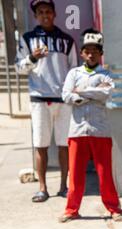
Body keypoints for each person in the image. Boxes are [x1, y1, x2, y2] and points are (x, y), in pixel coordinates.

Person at [58, 29, 122, 223]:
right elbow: (66, 95)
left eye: (95, 50)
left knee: (104, 173)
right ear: (81, 53)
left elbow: (107, 94)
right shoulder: (74, 73)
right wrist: (88, 94)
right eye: (87, 50)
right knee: (76, 174)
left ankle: (114, 208)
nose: (91, 54)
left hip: (100, 130)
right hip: (78, 131)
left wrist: (81, 92)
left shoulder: (106, 75)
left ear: (100, 53)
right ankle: (71, 210)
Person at [15, 0, 78, 202]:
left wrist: (71, 92)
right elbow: (18, 68)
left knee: (64, 145)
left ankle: (63, 186)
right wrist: (32, 58)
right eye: (40, 12)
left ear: (54, 14)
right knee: (40, 145)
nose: (45, 15)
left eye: (48, 11)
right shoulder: (28, 39)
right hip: (40, 99)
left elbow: (74, 69)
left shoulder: (66, 40)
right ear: (35, 16)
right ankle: (42, 188)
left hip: (63, 99)